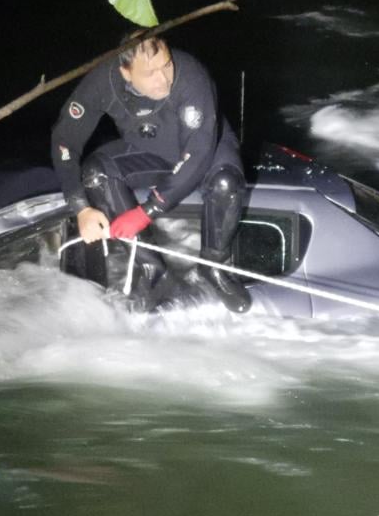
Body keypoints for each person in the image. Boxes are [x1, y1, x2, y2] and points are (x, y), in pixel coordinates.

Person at [50, 36, 251, 312]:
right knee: (96, 174)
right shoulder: (103, 80)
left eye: (166, 66)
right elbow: (64, 139)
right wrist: (80, 207)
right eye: (150, 73)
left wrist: (146, 212)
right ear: (125, 73)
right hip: (149, 151)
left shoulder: (192, 76)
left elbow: (198, 153)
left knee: (226, 184)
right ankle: (154, 272)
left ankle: (214, 267)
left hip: (207, 147)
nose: (164, 79)